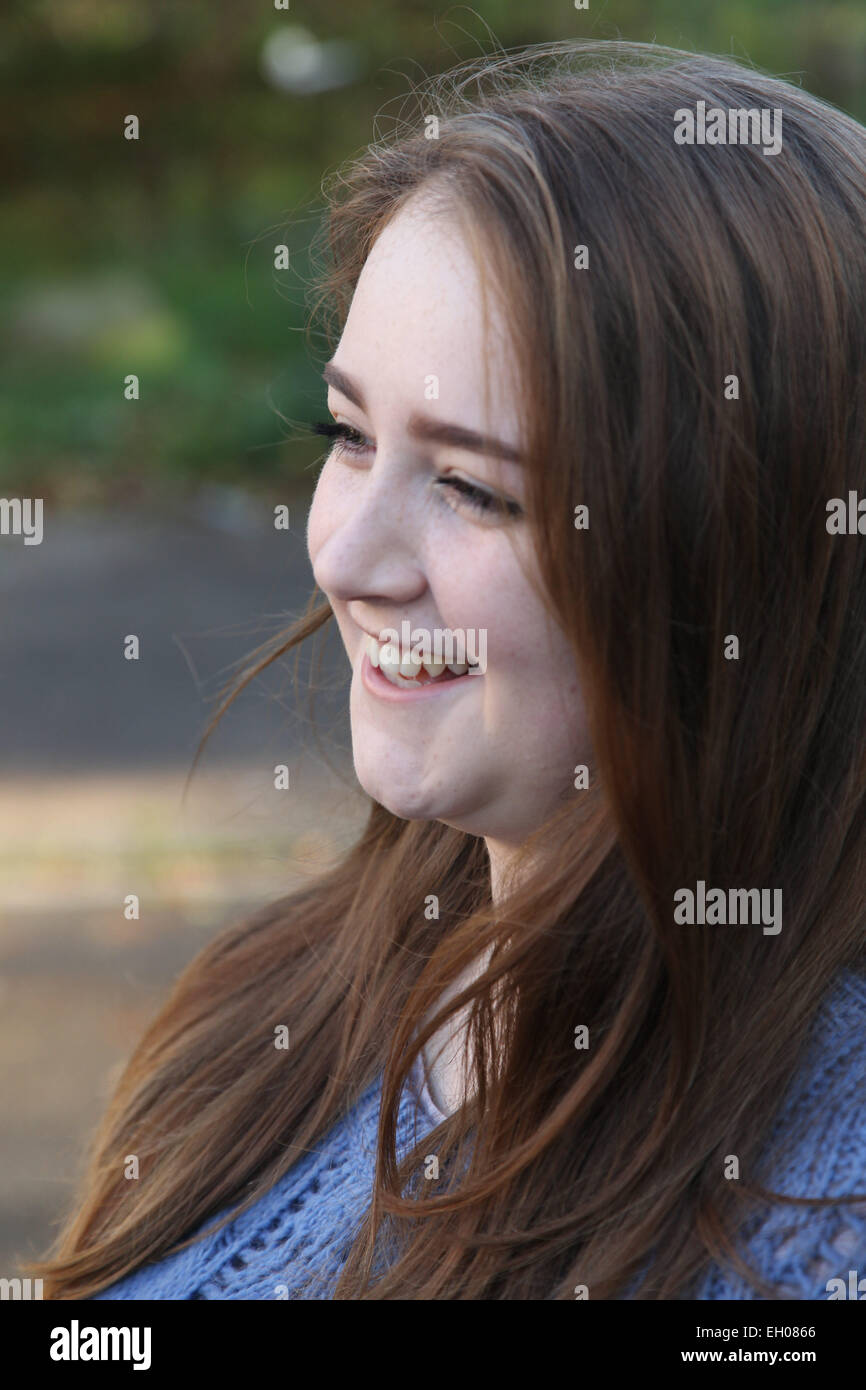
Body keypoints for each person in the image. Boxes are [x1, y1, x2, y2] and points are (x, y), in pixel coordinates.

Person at [31, 39, 866, 1300]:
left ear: (730, 554)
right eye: (347, 435)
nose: (349, 556)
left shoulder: (813, 1222)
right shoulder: (282, 999)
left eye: (473, 488)